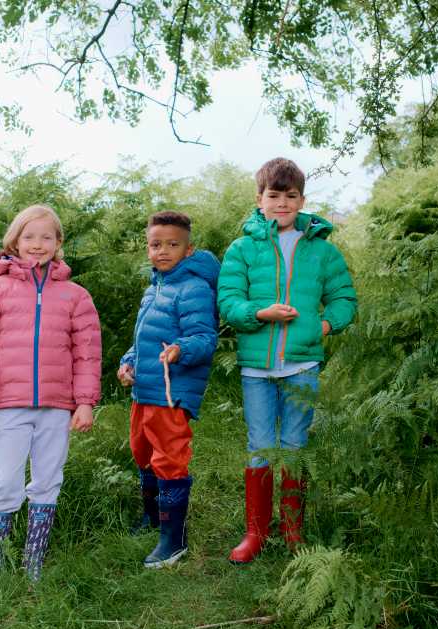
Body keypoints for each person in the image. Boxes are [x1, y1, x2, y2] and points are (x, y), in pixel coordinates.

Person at [218, 158, 357, 564]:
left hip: (301, 365)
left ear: (302, 199)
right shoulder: (242, 249)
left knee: (295, 446)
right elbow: (228, 301)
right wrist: (259, 314)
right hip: (256, 368)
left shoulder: (322, 251)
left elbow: (344, 299)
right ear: (259, 199)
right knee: (260, 445)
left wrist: (323, 327)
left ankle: (293, 528)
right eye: (273, 195)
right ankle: (255, 533)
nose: (282, 203)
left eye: (290, 196)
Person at [0, 204, 101, 581]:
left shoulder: (75, 296)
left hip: (58, 407)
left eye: (46, 237)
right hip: (9, 405)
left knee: (47, 481)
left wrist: (85, 403)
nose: (37, 244)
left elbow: (87, 353)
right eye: (29, 237)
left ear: (58, 243)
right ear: (14, 241)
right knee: (6, 482)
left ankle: (33, 564)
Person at [118, 210, 220, 568]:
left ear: (188, 249)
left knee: (168, 458)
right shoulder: (153, 287)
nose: (163, 251)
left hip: (171, 391)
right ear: (147, 248)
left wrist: (180, 350)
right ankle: (152, 517)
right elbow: (142, 340)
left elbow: (205, 339)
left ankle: (172, 539)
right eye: (155, 244)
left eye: (172, 244)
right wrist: (126, 363)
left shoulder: (193, 288)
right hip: (144, 389)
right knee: (142, 452)